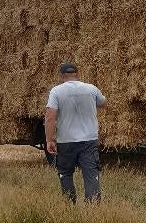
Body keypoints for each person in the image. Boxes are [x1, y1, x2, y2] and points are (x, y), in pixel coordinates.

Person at [45, 62, 106, 204]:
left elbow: (50, 117)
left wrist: (49, 139)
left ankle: (69, 204)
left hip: (66, 141)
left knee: (65, 173)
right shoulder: (91, 89)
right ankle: (92, 207)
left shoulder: (56, 91)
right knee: (91, 174)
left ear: (61, 76)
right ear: (77, 74)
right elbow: (103, 103)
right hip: (89, 140)